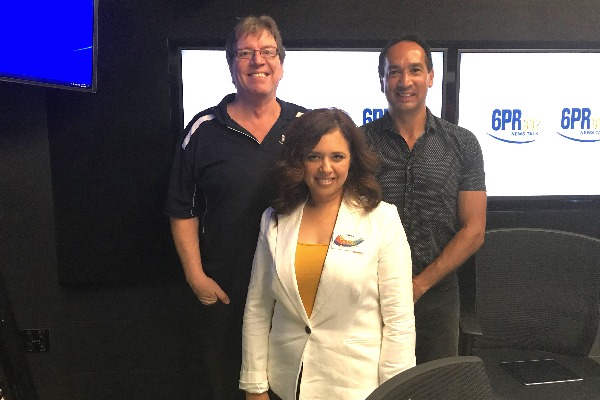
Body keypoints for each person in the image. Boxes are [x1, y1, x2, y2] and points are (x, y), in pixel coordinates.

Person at [165, 15, 306, 400]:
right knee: (225, 388)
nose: (257, 61)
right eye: (245, 53)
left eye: (267, 52)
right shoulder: (203, 130)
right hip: (226, 294)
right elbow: (182, 209)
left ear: (281, 64)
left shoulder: (305, 127)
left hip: (294, 295)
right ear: (231, 67)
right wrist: (196, 276)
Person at [240, 108, 416, 400]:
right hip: (288, 383)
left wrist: (394, 393)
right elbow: (258, 308)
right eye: (314, 156)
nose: (326, 168)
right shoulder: (274, 219)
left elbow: (399, 319)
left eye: (337, 157)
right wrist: (255, 385)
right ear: (299, 161)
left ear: (352, 161)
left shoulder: (382, 219)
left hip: (358, 387)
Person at [361, 33, 487, 364]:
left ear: (430, 77)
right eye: (394, 71)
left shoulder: (463, 144)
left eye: (415, 70)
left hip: (438, 296)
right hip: (370, 293)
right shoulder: (358, 145)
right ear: (382, 80)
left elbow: (474, 229)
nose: (405, 81)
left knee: (436, 388)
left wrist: (419, 285)